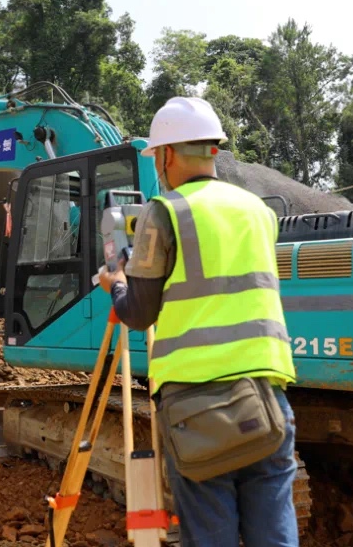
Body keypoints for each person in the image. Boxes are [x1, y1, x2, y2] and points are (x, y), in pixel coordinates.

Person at [97, 96, 299, 547]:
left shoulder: (165, 210)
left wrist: (115, 282)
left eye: (156, 158)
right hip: (267, 399)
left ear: (166, 155)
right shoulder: (258, 212)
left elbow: (139, 313)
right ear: (212, 150)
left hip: (198, 406)